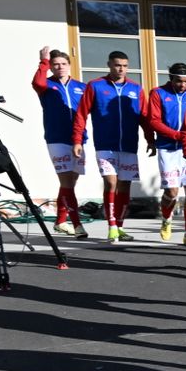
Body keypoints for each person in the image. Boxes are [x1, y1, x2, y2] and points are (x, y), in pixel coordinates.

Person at [71, 50, 145, 242]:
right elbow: (81, 114)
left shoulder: (136, 89)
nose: (121, 69)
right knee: (111, 182)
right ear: (109, 65)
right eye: (117, 65)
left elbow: (144, 117)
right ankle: (111, 225)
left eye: (125, 66)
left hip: (129, 145)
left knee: (125, 185)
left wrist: (151, 139)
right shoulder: (96, 86)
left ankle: (120, 226)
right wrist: (77, 140)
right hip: (105, 144)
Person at [30, 48, 89, 237]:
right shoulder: (46, 85)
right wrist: (43, 62)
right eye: (55, 64)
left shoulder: (81, 86)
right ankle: (77, 224)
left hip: (78, 139)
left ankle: (60, 221)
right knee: (66, 182)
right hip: (56, 138)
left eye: (63, 64)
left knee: (71, 181)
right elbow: (37, 81)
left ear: (69, 66)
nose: (60, 67)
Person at [141, 63, 186, 241]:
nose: (183, 85)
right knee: (172, 192)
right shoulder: (158, 93)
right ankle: (167, 219)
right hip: (168, 148)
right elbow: (153, 121)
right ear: (171, 79)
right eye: (178, 81)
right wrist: (177, 135)